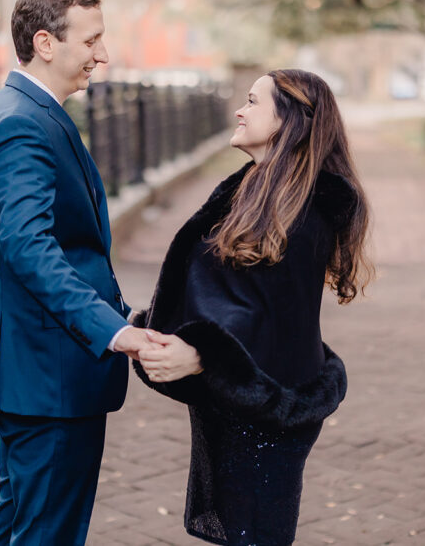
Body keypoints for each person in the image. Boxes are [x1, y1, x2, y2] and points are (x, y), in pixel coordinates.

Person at [132, 69, 372, 545]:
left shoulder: (305, 211)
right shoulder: (258, 191)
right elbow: (228, 293)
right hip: (235, 402)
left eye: (252, 102)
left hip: (264, 407)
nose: (239, 111)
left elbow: (274, 315)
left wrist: (202, 354)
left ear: (289, 122)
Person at [0, 0, 154, 545]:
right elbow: (30, 249)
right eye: (91, 40)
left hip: (42, 374)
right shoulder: (20, 124)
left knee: (24, 528)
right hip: (49, 376)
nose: (102, 54)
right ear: (45, 43)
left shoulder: (30, 112)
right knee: (45, 535)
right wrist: (112, 330)